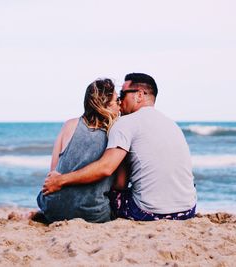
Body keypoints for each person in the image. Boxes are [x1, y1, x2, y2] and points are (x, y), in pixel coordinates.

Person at [43, 73, 197, 221]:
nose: (120, 102)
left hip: (149, 213)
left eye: (122, 95)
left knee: (117, 192)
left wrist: (61, 180)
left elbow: (108, 171)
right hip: (187, 210)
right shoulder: (171, 124)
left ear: (139, 95)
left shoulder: (125, 123)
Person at [36, 78, 121, 223]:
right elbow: (119, 184)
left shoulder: (70, 125)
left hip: (52, 209)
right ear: (105, 105)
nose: (120, 105)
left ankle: (38, 214)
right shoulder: (117, 132)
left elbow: (53, 171)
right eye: (117, 100)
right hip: (92, 215)